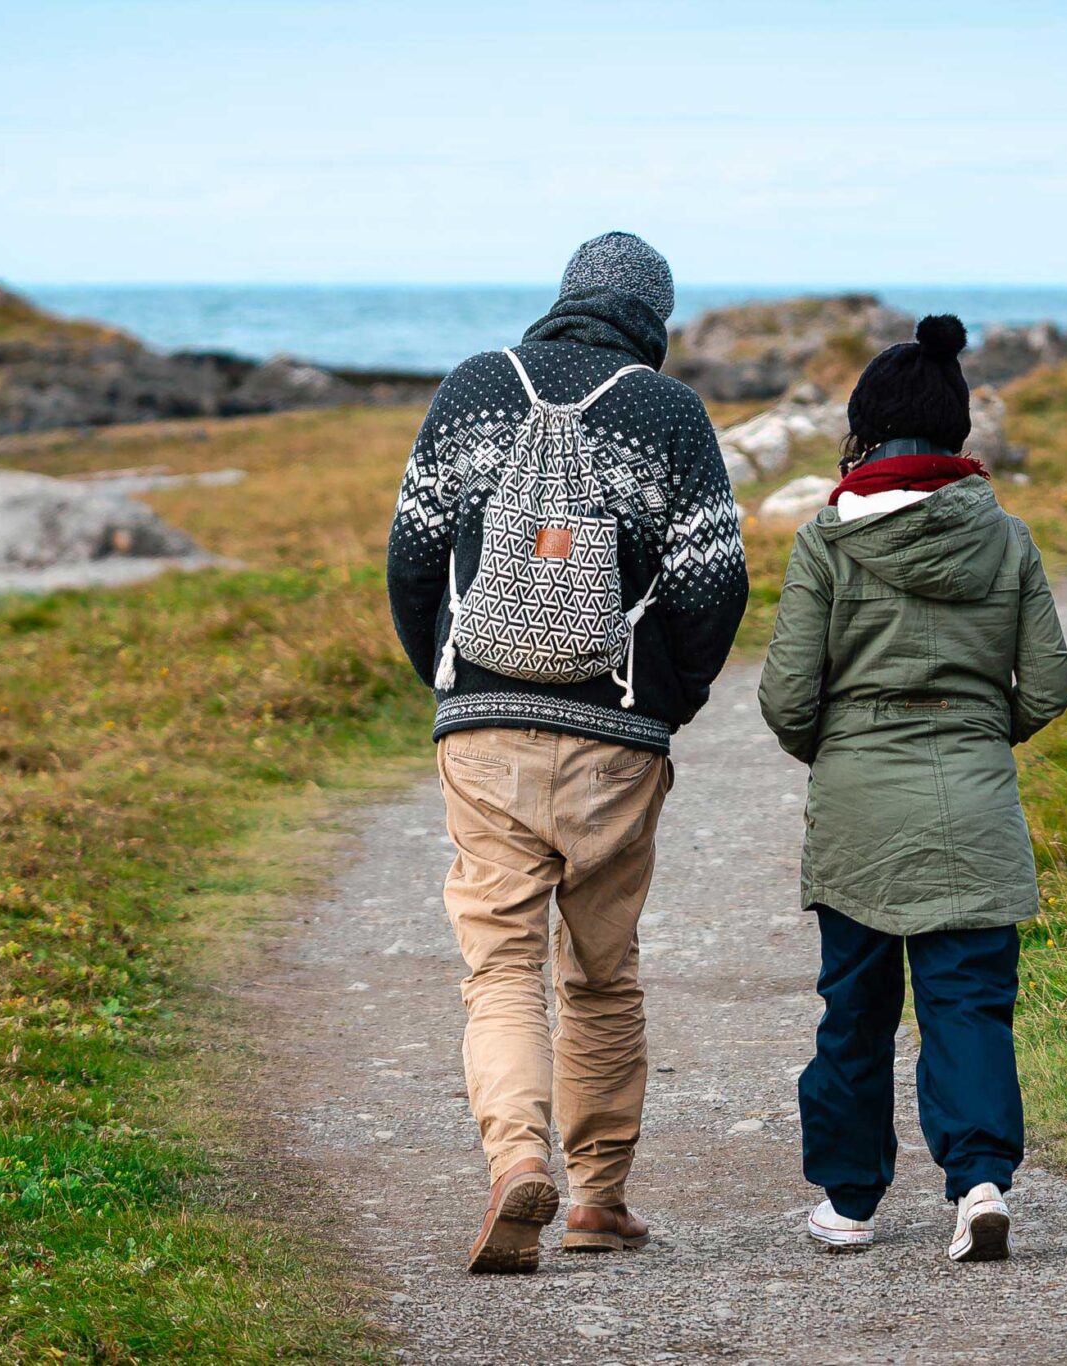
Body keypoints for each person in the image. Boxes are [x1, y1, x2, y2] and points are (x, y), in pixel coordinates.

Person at [387, 232, 748, 1274]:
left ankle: (514, 1163)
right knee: (599, 970)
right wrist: (666, 703)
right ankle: (595, 1195)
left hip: (483, 724)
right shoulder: (668, 411)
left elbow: (411, 561)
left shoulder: (470, 389)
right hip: (618, 733)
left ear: (563, 297)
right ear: (653, 318)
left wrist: (451, 682)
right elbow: (708, 584)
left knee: (499, 964)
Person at [758, 314, 1067, 1262]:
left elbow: (785, 697)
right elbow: (1050, 686)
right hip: (975, 803)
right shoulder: (1009, 540)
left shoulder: (824, 540)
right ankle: (979, 1183)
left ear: (861, 430)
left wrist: (840, 744)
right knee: (968, 1003)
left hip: (858, 806)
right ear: (959, 431)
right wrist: (983, 732)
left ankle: (850, 1204)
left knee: (854, 1007)